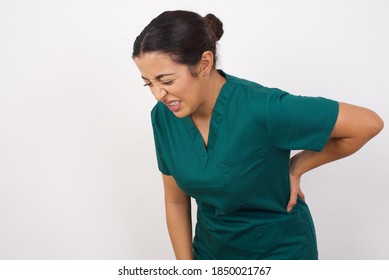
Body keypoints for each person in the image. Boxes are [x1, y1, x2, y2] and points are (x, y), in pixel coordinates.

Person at [132, 10, 384, 260]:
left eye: (166, 80)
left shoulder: (262, 108)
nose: (158, 94)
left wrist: (297, 166)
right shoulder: (164, 117)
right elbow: (176, 201)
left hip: (279, 253)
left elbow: (367, 124)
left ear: (205, 64)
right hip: (212, 254)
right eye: (148, 83)